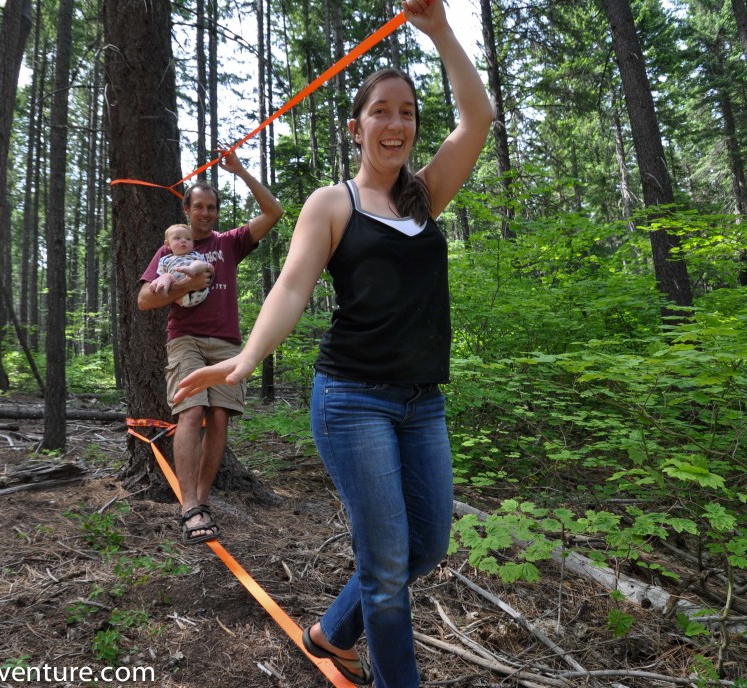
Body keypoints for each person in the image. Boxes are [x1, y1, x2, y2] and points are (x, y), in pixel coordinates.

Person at [173, 0, 494, 683]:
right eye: (382, 111)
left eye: (406, 112)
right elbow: (289, 289)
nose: (397, 123)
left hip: (421, 401)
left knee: (426, 544)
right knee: (385, 567)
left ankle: (331, 630)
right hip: (352, 401)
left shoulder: (425, 197)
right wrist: (245, 357)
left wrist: (438, 30)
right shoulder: (333, 204)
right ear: (356, 127)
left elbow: (478, 120)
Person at [138, 148, 283, 545]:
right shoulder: (170, 251)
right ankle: (188, 506)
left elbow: (274, 213)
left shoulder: (230, 242)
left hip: (228, 344)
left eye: (211, 207)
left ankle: (201, 501)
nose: (205, 213)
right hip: (184, 340)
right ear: (186, 209)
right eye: (198, 206)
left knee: (219, 419)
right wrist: (183, 284)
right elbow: (145, 301)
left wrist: (240, 171)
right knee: (191, 411)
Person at [150, 223, 212, 307]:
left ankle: (191, 269)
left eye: (188, 239)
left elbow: (205, 267)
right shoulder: (165, 259)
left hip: (199, 292)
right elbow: (161, 274)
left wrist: (208, 267)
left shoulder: (195, 254)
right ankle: (162, 289)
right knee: (165, 276)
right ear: (168, 244)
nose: (183, 241)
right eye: (177, 238)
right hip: (180, 298)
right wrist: (156, 282)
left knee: (199, 263)